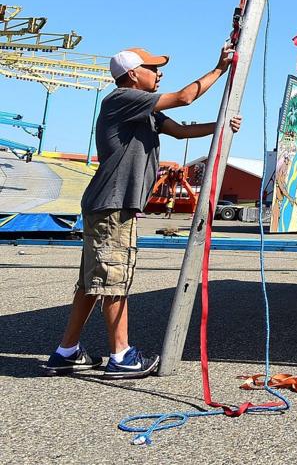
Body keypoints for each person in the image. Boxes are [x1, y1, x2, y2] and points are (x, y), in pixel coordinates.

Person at [44, 45, 240, 379]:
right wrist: (220, 68)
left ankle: (67, 351)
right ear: (133, 73)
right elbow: (184, 97)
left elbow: (180, 131)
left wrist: (222, 124)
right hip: (112, 204)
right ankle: (121, 356)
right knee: (113, 280)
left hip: (109, 204)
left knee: (93, 282)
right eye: (153, 67)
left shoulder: (143, 109)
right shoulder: (122, 98)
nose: (160, 73)